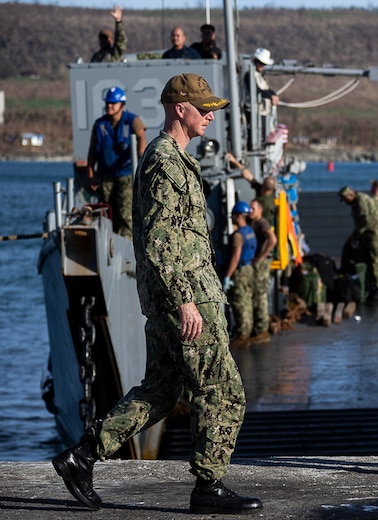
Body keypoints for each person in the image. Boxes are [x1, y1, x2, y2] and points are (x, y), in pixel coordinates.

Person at [52, 73, 262, 514]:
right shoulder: (165, 160)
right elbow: (163, 237)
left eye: (212, 108)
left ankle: (82, 456)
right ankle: (208, 487)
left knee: (162, 390)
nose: (210, 115)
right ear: (178, 108)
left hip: (178, 294)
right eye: (202, 107)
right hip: (185, 298)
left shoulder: (173, 158)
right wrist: (186, 298)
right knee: (223, 390)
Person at [86, 86, 146, 239]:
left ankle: (126, 246)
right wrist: (91, 174)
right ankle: (110, 242)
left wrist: (140, 156)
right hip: (105, 176)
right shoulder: (100, 125)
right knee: (108, 213)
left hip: (125, 175)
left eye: (113, 103)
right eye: (107, 103)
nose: (109, 106)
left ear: (122, 105)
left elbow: (141, 138)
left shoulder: (132, 120)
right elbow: (92, 151)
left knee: (126, 212)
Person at [338, 185, 378, 301]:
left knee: (376, 261)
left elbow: (365, 221)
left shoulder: (361, 200)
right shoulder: (356, 202)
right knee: (369, 260)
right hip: (368, 235)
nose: (346, 202)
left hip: (375, 234)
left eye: (346, 199)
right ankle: (370, 286)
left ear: (351, 194)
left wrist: (356, 235)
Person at [223, 201, 257, 349]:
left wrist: (227, 276)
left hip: (241, 271)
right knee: (248, 300)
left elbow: (235, 257)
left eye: (232, 215)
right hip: (249, 268)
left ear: (237, 216)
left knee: (240, 301)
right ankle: (247, 331)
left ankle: (243, 335)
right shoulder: (249, 231)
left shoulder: (238, 235)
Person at [248, 198, 277, 343]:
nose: (250, 211)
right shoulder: (252, 222)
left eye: (253, 208)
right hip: (257, 262)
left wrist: (262, 257)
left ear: (260, 209)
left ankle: (262, 330)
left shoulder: (262, 223)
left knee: (260, 294)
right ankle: (258, 327)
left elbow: (272, 239)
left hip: (262, 263)